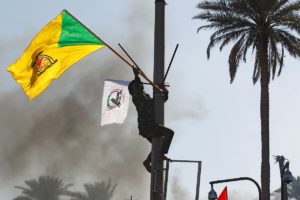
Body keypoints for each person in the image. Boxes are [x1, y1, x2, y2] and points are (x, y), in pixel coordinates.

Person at [128, 67, 174, 173]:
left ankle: (148, 160)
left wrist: (164, 90)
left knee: (159, 144)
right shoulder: (137, 97)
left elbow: (160, 102)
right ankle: (160, 155)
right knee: (169, 133)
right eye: (138, 86)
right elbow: (136, 88)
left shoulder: (146, 97)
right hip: (147, 126)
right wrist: (136, 76)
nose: (141, 87)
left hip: (148, 127)